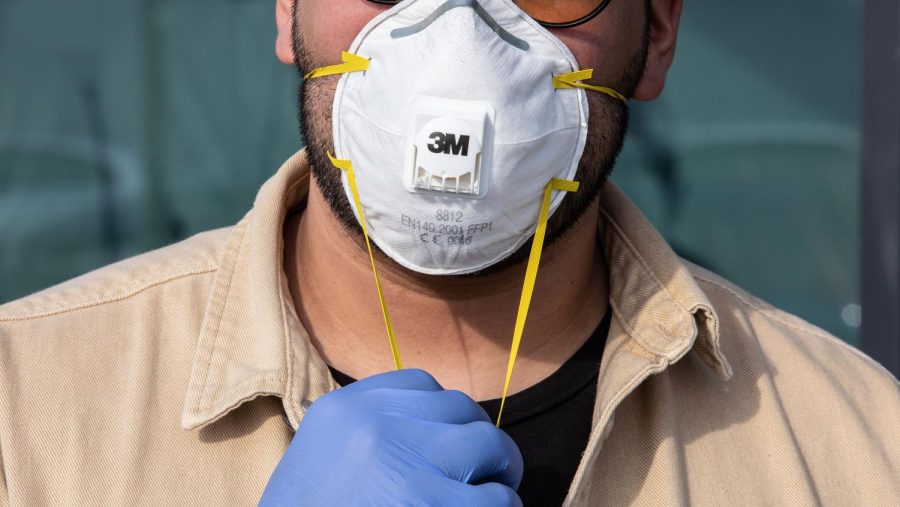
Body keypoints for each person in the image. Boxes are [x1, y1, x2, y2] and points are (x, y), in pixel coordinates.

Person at [0, 0, 897, 505]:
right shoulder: (25, 415)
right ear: (287, 11)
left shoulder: (859, 452)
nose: (456, 39)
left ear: (656, 33)